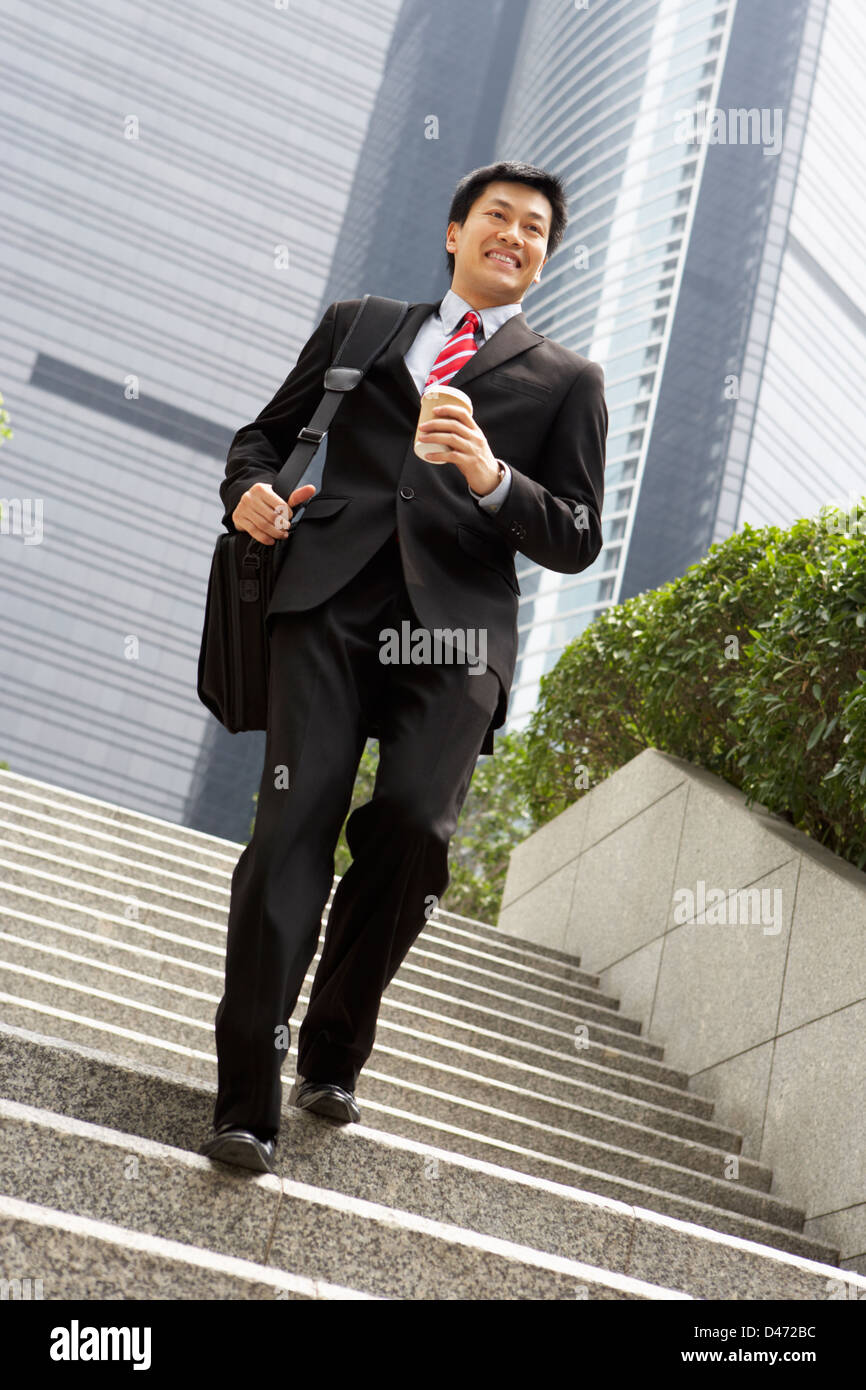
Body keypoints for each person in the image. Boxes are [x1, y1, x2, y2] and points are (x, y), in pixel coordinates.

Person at [200, 160, 608, 1173]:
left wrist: (487, 474)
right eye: (497, 218)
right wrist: (247, 491)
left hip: (458, 628)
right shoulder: (361, 323)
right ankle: (244, 1095)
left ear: (543, 258)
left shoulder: (566, 380)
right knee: (293, 824)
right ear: (454, 231)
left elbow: (575, 532)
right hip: (327, 601)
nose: (513, 236)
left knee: (416, 828)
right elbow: (264, 436)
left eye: (534, 230)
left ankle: (335, 1045)